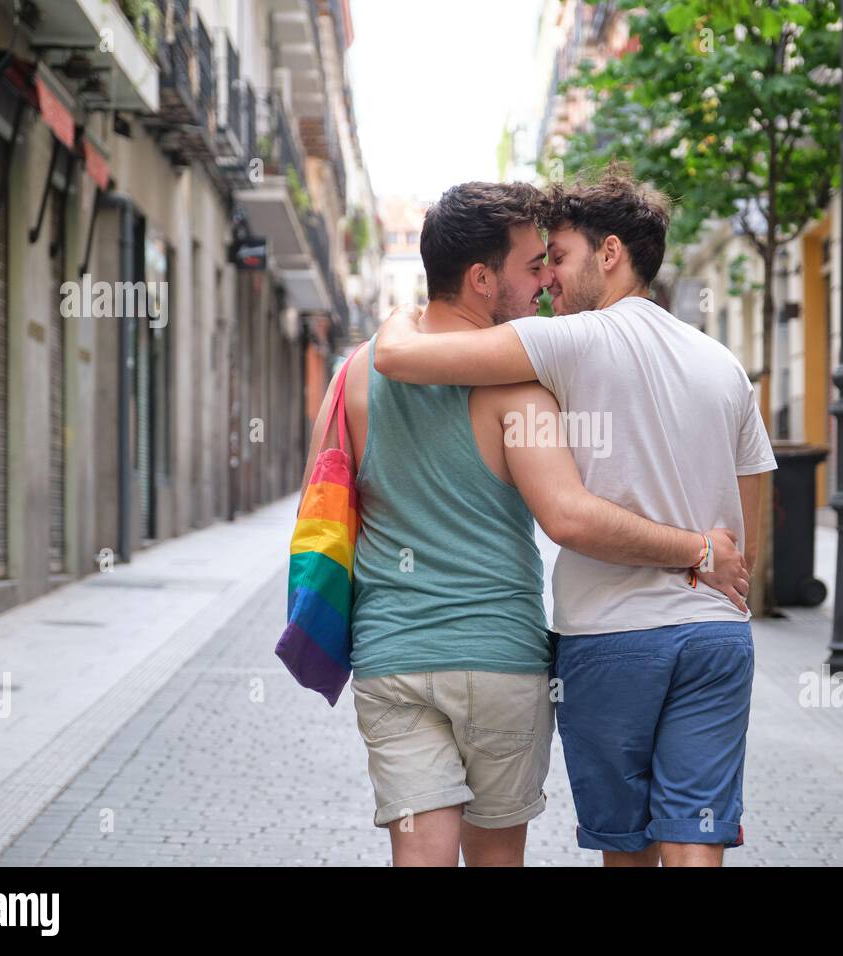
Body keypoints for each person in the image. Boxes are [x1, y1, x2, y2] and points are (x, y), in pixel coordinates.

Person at [298, 181, 747, 867]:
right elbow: (566, 514)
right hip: (501, 659)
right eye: (533, 265)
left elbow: (321, 501)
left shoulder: (354, 374)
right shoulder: (522, 387)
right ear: (482, 279)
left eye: (552, 260)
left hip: (393, 655)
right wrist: (697, 550)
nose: (544, 282)